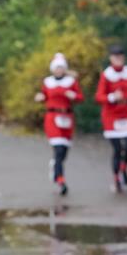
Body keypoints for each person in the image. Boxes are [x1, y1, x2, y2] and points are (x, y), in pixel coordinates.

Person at [35, 52, 83, 196]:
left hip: (67, 117)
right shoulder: (47, 82)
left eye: (61, 67)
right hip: (52, 117)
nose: (59, 70)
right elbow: (43, 95)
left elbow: (80, 97)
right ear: (53, 69)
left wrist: (73, 96)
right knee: (58, 149)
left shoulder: (71, 82)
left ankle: (56, 166)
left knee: (64, 151)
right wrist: (40, 97)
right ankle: (61, 180)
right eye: (57, 68)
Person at [94, 44, 127, 193]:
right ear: (111, 58)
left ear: (123, 57)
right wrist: (113, 97)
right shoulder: (106, 75)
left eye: (120, 56)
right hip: (111, 115)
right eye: (115, 56)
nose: (118, 59)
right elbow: (99, 97)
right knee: (118, 149)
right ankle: (116, 178)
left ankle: (123, 168)